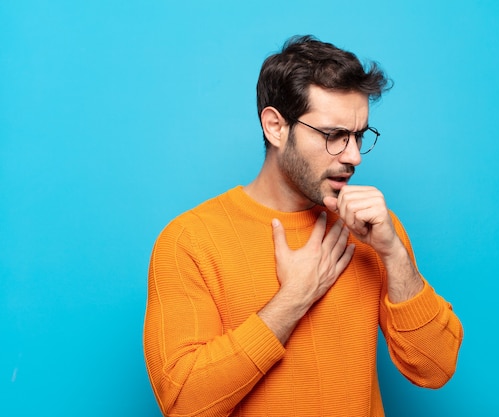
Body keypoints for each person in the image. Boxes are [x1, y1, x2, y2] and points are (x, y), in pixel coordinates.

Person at [143, 35, 463, 417]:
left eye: (359, 135)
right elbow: (183, 404)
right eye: (334, 136)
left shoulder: (373, 229)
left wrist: (393, 254)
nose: (354, 156)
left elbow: (436, 368)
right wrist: (294, 298)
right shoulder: (189, 241)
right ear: (276, 127)